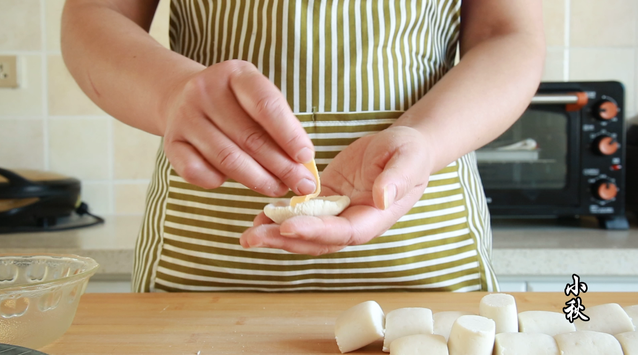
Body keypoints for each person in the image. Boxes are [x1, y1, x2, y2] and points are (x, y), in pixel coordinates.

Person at [61, 0, 545, 293]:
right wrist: (171, 94)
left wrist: (424, 139)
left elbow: (508, 33)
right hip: (204, 259)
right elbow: (94, 13)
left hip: (425, 256)